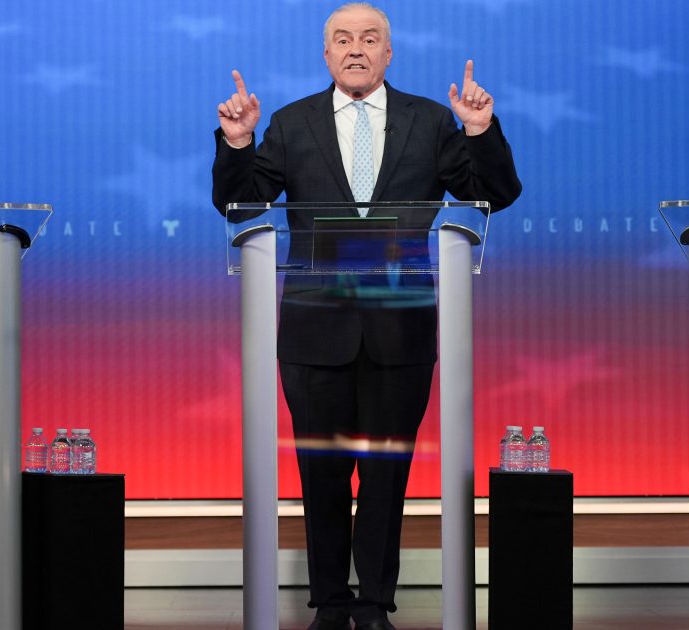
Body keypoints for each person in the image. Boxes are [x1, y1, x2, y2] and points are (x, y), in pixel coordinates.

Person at [212, 4, 521, 629]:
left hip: (400, 327)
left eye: (370, 38)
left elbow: (495, 194)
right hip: (313, 330)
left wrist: (480, 131)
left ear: (388, 53)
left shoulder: (430, 121)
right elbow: (241, 203)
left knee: (386, 475)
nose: (356, 49)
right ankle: (329, 602)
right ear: (326, 54)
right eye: (343, 39)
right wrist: (239, 142)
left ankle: (375, 602)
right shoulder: (292, 123)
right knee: (320, 473)